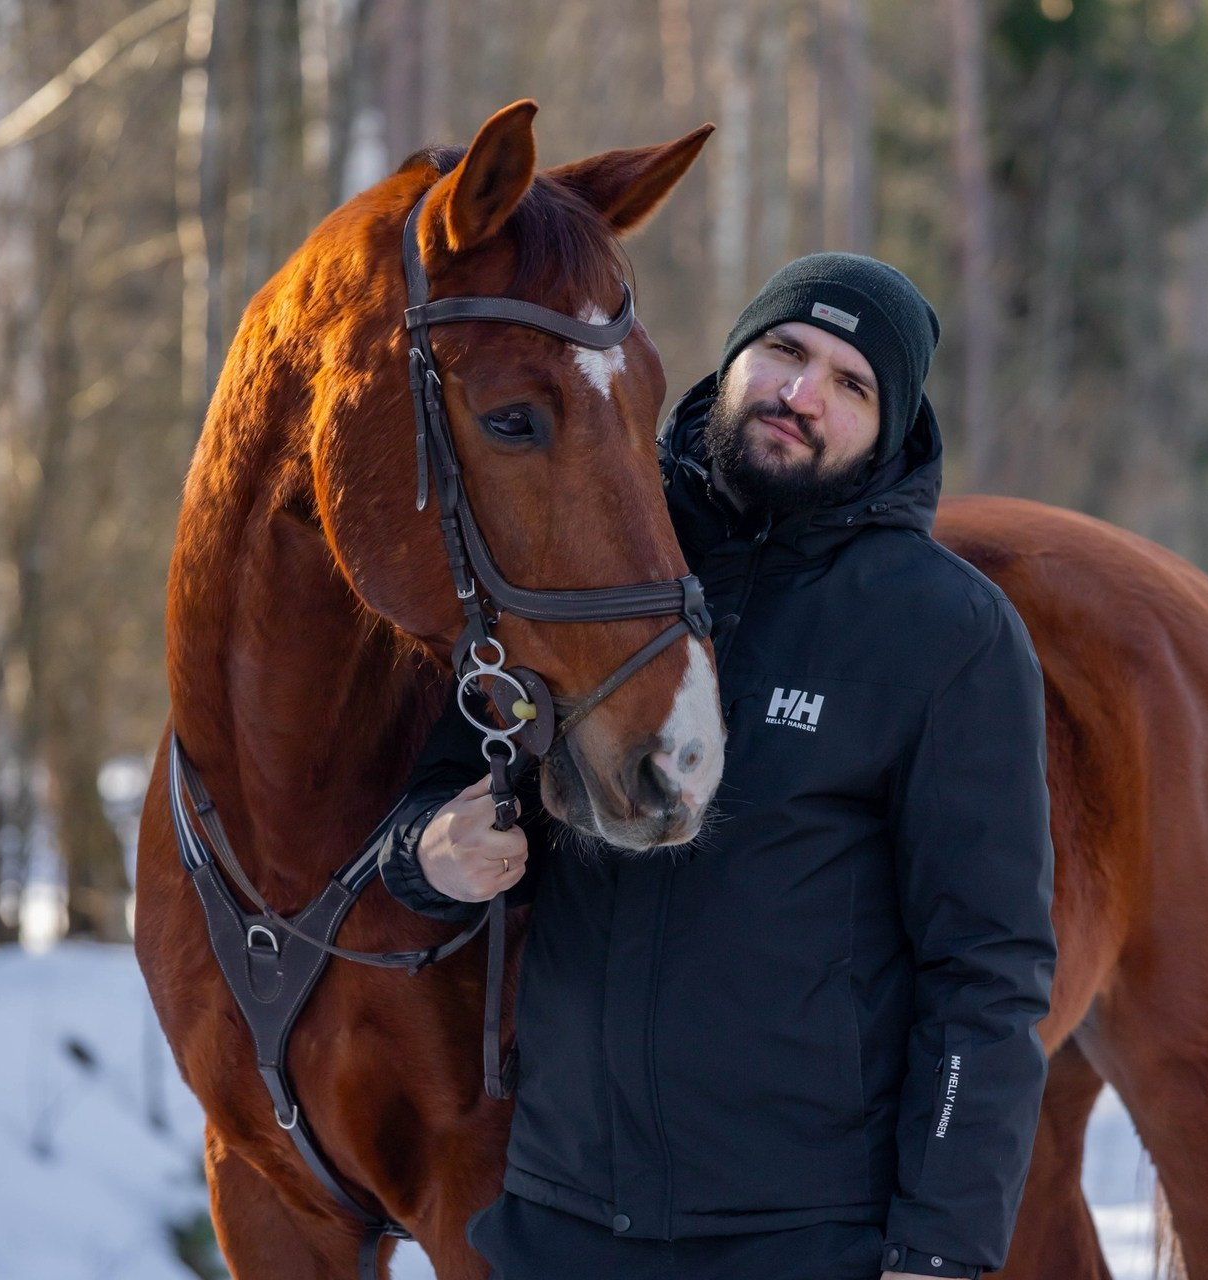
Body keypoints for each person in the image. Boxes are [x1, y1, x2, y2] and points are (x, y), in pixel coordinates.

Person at [376, 253, 1057, 1279]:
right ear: (734, 357)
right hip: (558, 1218)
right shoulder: (595, 537)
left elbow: (986, 969)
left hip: (801, 1236)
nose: (800, 393)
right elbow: (439, 778)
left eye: (849, 381)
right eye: (784, 349)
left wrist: (940, 1250)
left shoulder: (943, 633)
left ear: (889, 427)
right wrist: (424, 849)